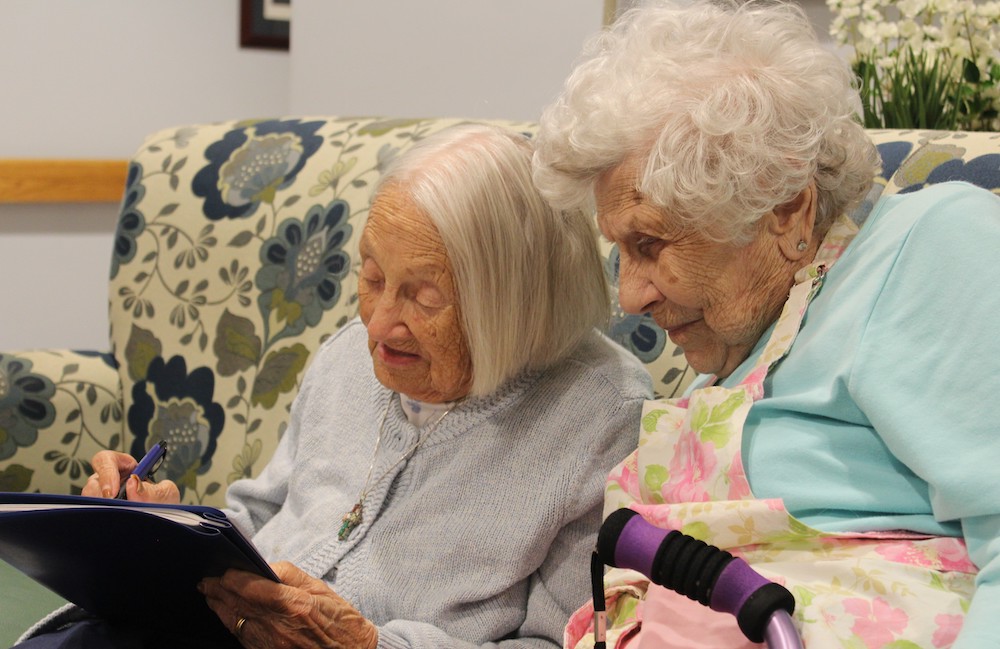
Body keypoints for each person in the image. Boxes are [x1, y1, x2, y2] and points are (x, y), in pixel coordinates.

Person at [17, 124, 652, 649]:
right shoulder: (352, 355)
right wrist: (160, 528)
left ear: (512, 305)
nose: (377, 324)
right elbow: (263, 518)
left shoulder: (604, 419)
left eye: (422, 296)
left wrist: (372, 647)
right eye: (371, 277)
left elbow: (568, 642)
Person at [531, 1, 1000, 647]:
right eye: (620, 249)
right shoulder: (735, 353)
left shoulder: (930, 248)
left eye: (650, 243)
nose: (630, 296)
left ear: (785, 208)